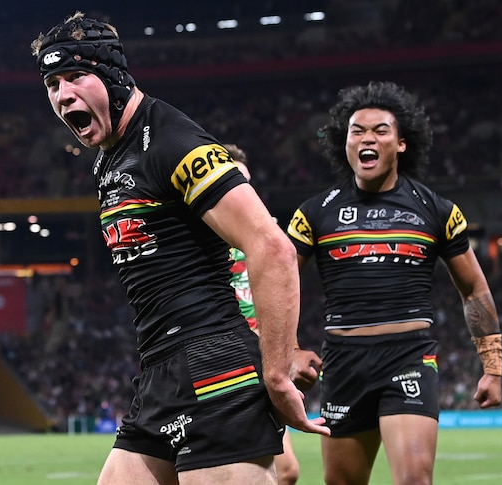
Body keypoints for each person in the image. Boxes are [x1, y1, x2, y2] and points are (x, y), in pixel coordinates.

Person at [31, 12, 329, 485]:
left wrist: (278, 370)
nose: (62, 94)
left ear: (113, 76)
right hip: (159, 372)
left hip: (217, 368)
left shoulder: (172, 139)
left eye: (75, 76)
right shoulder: (108, 159)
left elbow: (272, 247)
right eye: (52, 83)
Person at [286, 81, 502, 485]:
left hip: (408, 358)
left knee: (414, 481)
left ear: (402, 143)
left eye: (380, 130)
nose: (368, 138)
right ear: (344, 142)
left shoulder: (437, 210)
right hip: (343, 363)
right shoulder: (315, 214)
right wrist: (289, 349)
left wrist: (493, 368)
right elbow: (277, 283)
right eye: (357, 131)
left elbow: (474, 290)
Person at [226, 144, 317, 485]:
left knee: (287, 471)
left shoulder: (263, 236)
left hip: (261, 357)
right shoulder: (204, 237)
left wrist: (288, 349)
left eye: (245, 182)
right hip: (224, 358)